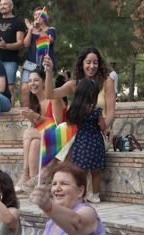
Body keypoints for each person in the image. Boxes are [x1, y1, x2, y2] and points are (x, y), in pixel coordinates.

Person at [45, 48, 118, 202]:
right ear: (82, 63)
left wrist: (104, 128)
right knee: (64, 134)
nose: (92, 66)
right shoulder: (74, 84)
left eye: (96, 62)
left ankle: (49, 177)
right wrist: (49, 71)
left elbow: (111, 112)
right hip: (79, 134)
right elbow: (50, 95)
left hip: (98, 136)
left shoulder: (106, 81)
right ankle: (60, 184)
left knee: (68, 139)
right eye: (88, 62)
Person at [16, 69, 64, 192]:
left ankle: (25, 173)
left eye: (36, 80)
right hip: (44, 140)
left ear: (44, 82)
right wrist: (31, 119)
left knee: (28, 133)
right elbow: (38, 127)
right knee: (34, 143)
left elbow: (58, 124)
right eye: (30, 81)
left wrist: (36, 117)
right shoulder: (35, 102)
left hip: (61, 138)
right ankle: (35, 183)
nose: (32, 83)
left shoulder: (54, 98)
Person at [0, 0, 26, 105]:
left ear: (11, 7)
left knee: (9, 87)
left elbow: (21, 43)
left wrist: (6, 46)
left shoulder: (18, 22)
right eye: (0, 5)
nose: (2, 6)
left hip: (9, 60)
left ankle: (10, 112)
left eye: (5, 4)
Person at [21, 6, 57, 83]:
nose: (37, 16)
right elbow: (26, 44)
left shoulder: (51, 29)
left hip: (45, 63)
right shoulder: (30, 30)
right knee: (25, 88)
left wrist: (39, 29)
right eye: (35, 14)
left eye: (40, 14)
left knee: (44, 87)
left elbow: (49, 41)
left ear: (45, 17)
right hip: (30, 63)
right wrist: (30, 29)